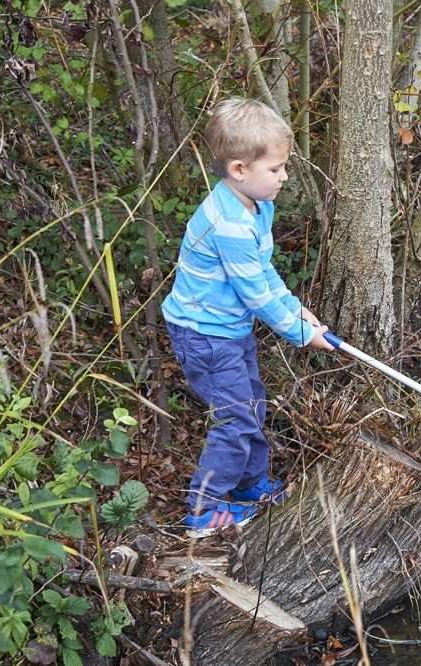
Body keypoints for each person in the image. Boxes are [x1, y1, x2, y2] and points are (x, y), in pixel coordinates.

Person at [161, 97, 334, 537]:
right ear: (239, 170)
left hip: (227, 330)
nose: (284, 176)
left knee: (252, 404)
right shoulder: (229, 225)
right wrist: (300, 334)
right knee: (236, 417)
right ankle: (205, 509)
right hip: (204, 336)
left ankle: (250, 485)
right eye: (275, 169)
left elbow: (264, 272)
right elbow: (255, 293)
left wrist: (297, 311)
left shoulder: (256, 207)